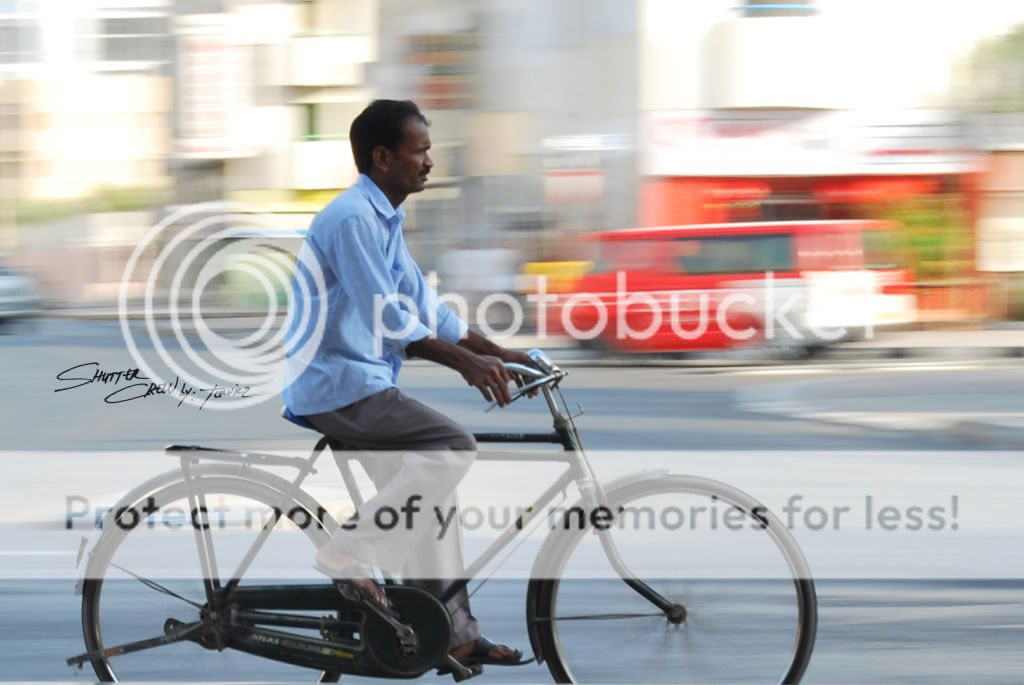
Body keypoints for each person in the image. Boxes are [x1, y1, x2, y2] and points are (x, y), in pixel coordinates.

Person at [282, 99, 533, 668]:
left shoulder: (384, 221)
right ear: (382, 157)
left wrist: (502, 354)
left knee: (428, 498)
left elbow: (428, 310)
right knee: (451, 448)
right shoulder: (351, 220)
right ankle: (347, 552)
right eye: (419, 151)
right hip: (338, 384)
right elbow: (389, 320)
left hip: (360, 382)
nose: (429, 162)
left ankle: (455, 635)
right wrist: (466, 367)